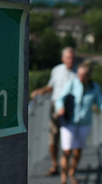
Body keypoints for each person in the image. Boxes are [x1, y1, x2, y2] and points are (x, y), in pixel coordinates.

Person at [54, 59, 102, 184]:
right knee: (67, 151)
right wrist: (60, 107)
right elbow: (60, 99)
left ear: (89, 75)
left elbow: (101, 103)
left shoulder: (95, 87)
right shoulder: (72, 84)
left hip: (85, 123)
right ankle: (63, 182)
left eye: (84, 75)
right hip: (69, 122)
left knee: (78, 151)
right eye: (79, 74)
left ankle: (72, 172)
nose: (81, 77)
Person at [30, 46, 77, 176]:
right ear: (63, 58)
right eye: (68, 57)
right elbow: (51, 87)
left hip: (71, 109)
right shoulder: (56, 70)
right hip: (55, 106)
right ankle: (55, 165)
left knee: (69, 139)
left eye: (72, 58)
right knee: (53, 137)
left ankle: (67, 167)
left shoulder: (79, 72)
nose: (70, 60)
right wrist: (40, 91)